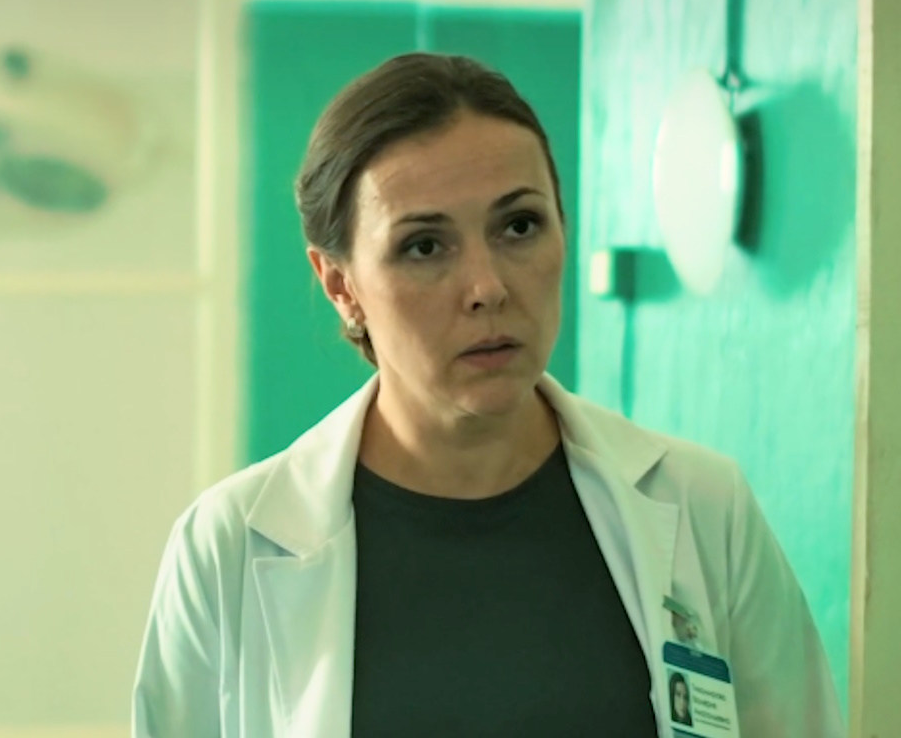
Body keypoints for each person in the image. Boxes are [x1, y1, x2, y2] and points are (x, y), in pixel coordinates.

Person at [131, 53, 840, 736]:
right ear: (340, 285)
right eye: (424, 246)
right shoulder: (229, 549)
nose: (488, 287)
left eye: (519, 226)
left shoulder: (704, 509)